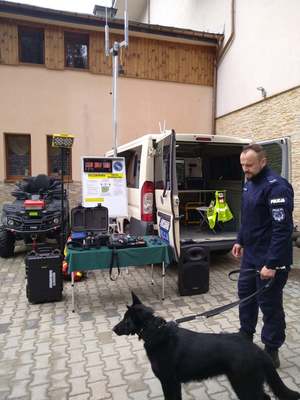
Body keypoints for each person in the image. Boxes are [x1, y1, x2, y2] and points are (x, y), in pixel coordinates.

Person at [232, 143, 294, 369]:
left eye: (249, 165)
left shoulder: (277, 187)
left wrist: (272, 263)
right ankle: (245, 340)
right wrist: (240, 239)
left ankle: (271, 349)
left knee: (269, 305)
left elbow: (282, 229)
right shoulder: (249, 183)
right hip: (251, 257)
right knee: (245, 298)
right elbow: (246, 216)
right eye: (242, 165)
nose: (245, 169)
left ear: (263, 162)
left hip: (270, 260)